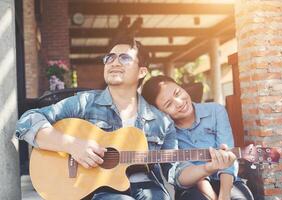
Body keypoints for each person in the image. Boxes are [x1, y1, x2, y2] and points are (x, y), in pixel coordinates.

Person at [16, 38, 236, 200]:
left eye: (124, 57)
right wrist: (73, 145)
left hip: (149, 189)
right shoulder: (84, 103)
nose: (114, 62)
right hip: (97, 191)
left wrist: (207, 168)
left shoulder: (162, 122)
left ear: (142, 72)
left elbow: (175, 173)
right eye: (109, 57)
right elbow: (27, 120)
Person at [141, 75, 254, 200]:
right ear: (160, 112)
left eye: (177, 93)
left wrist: (224, 196)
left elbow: (228, 158)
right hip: (191, 186)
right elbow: (179, 173)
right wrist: (211, 195)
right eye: (169, 104)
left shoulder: (215, 111)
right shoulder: (165, 132)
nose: (179, 103)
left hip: (227, 180)